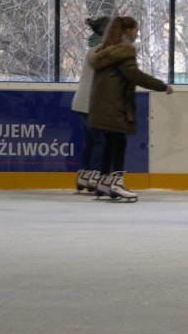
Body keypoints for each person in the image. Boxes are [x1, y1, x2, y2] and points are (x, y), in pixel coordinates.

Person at [87, 16, 174, 201]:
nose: (136, 34)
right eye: (135, 30)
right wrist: (161, 86)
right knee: (119, 141)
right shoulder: (123, 52)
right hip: (114, 104)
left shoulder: (105, 50)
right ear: (127, 31)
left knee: (111, 141)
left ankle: (103, 180)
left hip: (102, 104)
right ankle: (116, 182)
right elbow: (135, 75)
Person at [72, 16, 110, 194]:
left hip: (83, 103)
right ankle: (94, 176)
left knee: (92, 140)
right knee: (100, 141)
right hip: (90, 104)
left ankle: (84, 174)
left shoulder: (93, 49)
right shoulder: (100, 51)